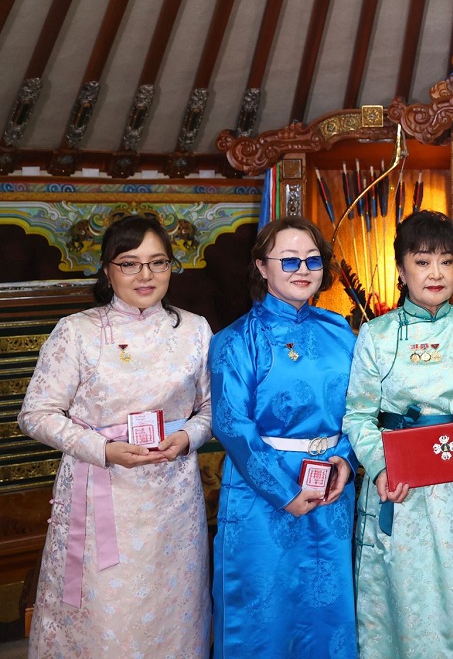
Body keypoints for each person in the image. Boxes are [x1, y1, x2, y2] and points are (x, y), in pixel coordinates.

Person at [19, 214, 212, 657]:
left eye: (158, 262)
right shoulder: (77, 331)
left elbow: (211, 408)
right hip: (102, 491)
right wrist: (101, 449)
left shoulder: (195, 329)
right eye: (130, 263)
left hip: (173, 496)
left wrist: (188, 437)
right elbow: (35, 414)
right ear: (107, 270)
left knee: (174, 608)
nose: (146, 275)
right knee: (107, 611)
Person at [343, 210, 453, 658]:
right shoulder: (377, 335)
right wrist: (381, 468)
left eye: (446, 261)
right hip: (402, 490)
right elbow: (358, 416)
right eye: (422, 262)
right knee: (408, 610)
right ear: (401, 270)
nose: (435, 273)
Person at [209, 216, 358, 658]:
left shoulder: (340, 331)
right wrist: (284, 491)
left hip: (331, 485)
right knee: (264, 616)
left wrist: (346, 460)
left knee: (327, 613)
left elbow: (362, 405)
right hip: (263, 494)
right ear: (262, 266)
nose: (303, 269)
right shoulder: (237, 340)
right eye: (289, 260)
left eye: (313, 260)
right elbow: (232, 425)